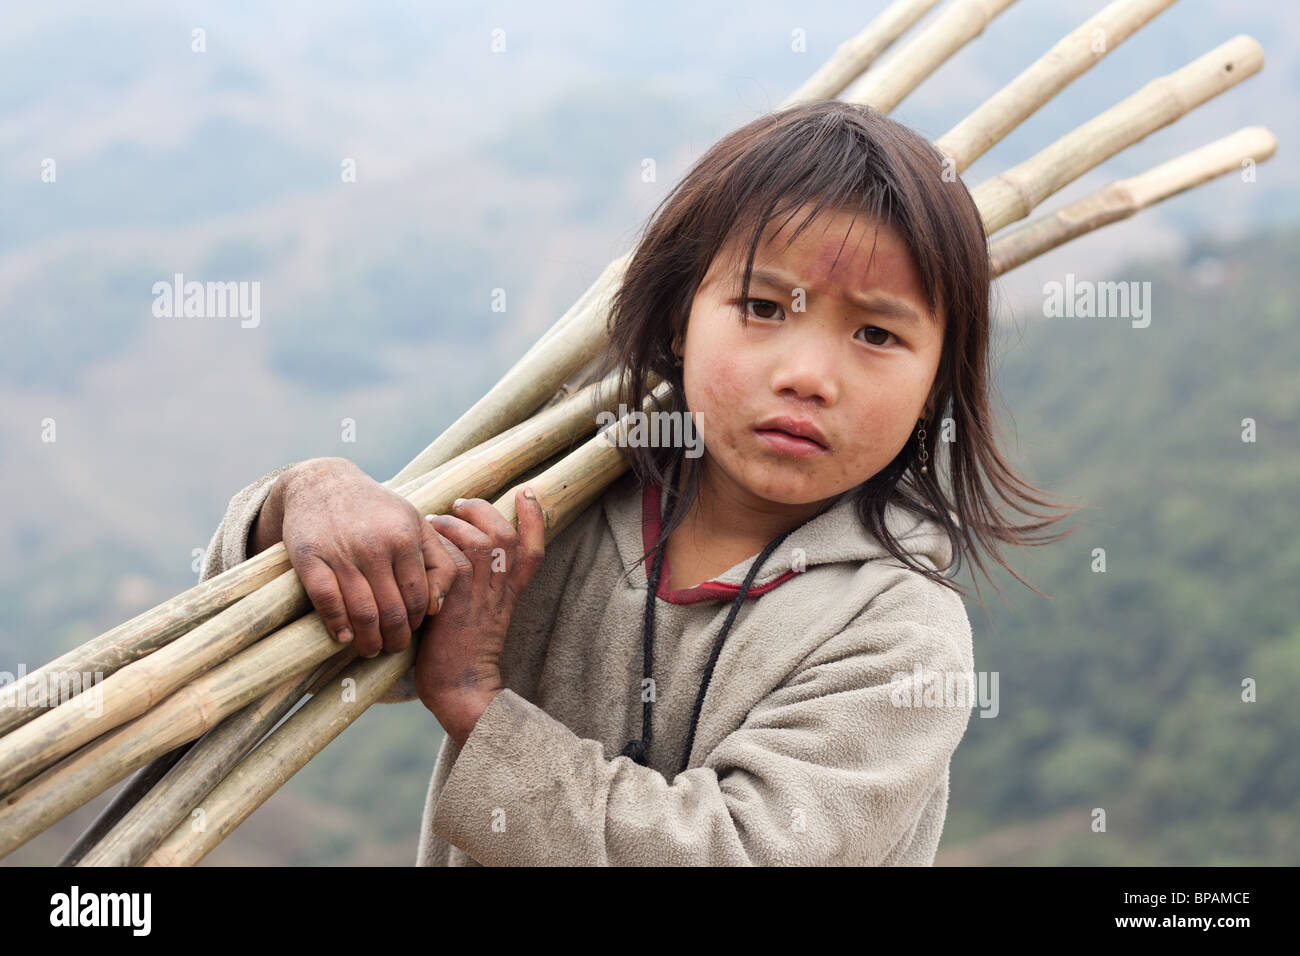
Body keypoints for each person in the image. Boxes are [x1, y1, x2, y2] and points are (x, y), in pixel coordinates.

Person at [200, 100, 1081, 865]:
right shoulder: (555, 501)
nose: (810, 375)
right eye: (764, 308)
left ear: (939, 382)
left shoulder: (897, 637)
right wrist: (306, 500)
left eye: (878, 335)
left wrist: (476, 704)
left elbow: (738, 855)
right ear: (677, 318)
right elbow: (299, 644)